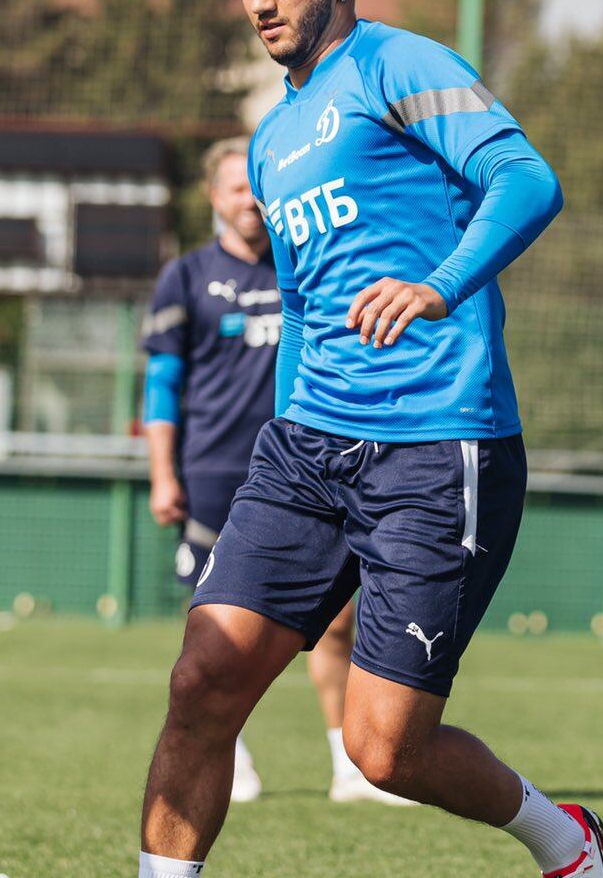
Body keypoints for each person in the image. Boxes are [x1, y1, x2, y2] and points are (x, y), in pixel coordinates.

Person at [132, 0, 603, 878]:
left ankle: (564, 841)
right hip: (307, 450)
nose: (260, 1)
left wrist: (438, 283)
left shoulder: (399, 65)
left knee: (385, 751)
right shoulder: (271, 138)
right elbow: (301, 310)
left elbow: (524, 181)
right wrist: (284, 428)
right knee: (199, 685)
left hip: (437, 453)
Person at [143, 138, 414, 808]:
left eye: (257, 188)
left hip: (305, 474)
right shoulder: (185, 278)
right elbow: (161, 385)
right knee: (216, 633)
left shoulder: (305, 264)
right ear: (214, 198)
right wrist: (161, 475)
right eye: (235, 188)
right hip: (213, 477)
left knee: (335, 624)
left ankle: (347, 766)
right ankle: (228, 755)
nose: (249, 201)